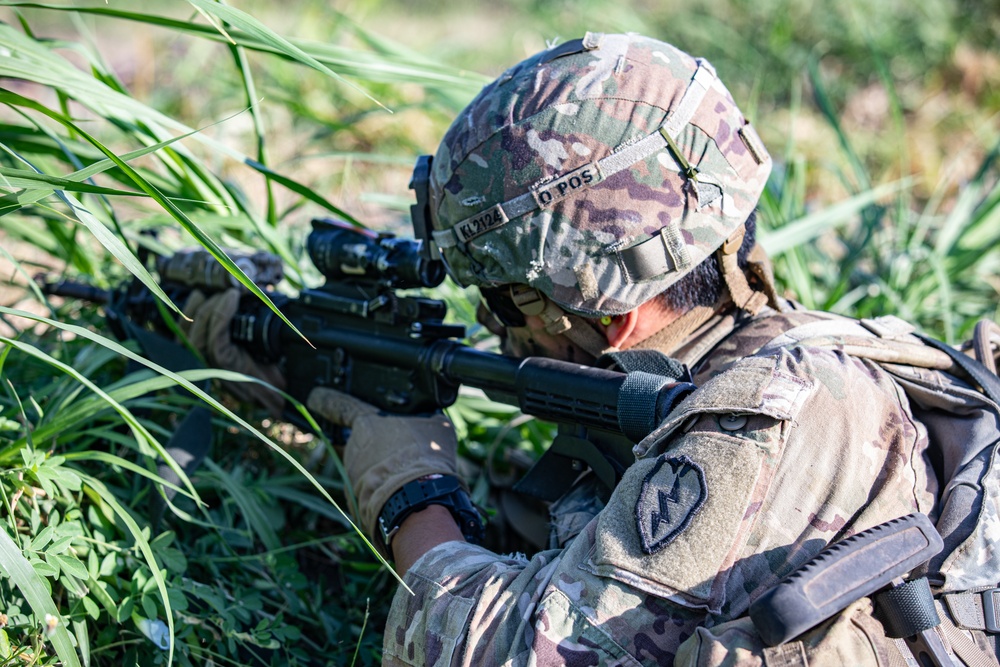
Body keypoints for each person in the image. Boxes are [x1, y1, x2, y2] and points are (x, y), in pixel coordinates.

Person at [195, 32, 1000, 666]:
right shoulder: (740, 358)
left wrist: (411, 490)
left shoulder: (768, 419)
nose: (492, 325)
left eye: (502, 298)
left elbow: (516, 655)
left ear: (605, 313)